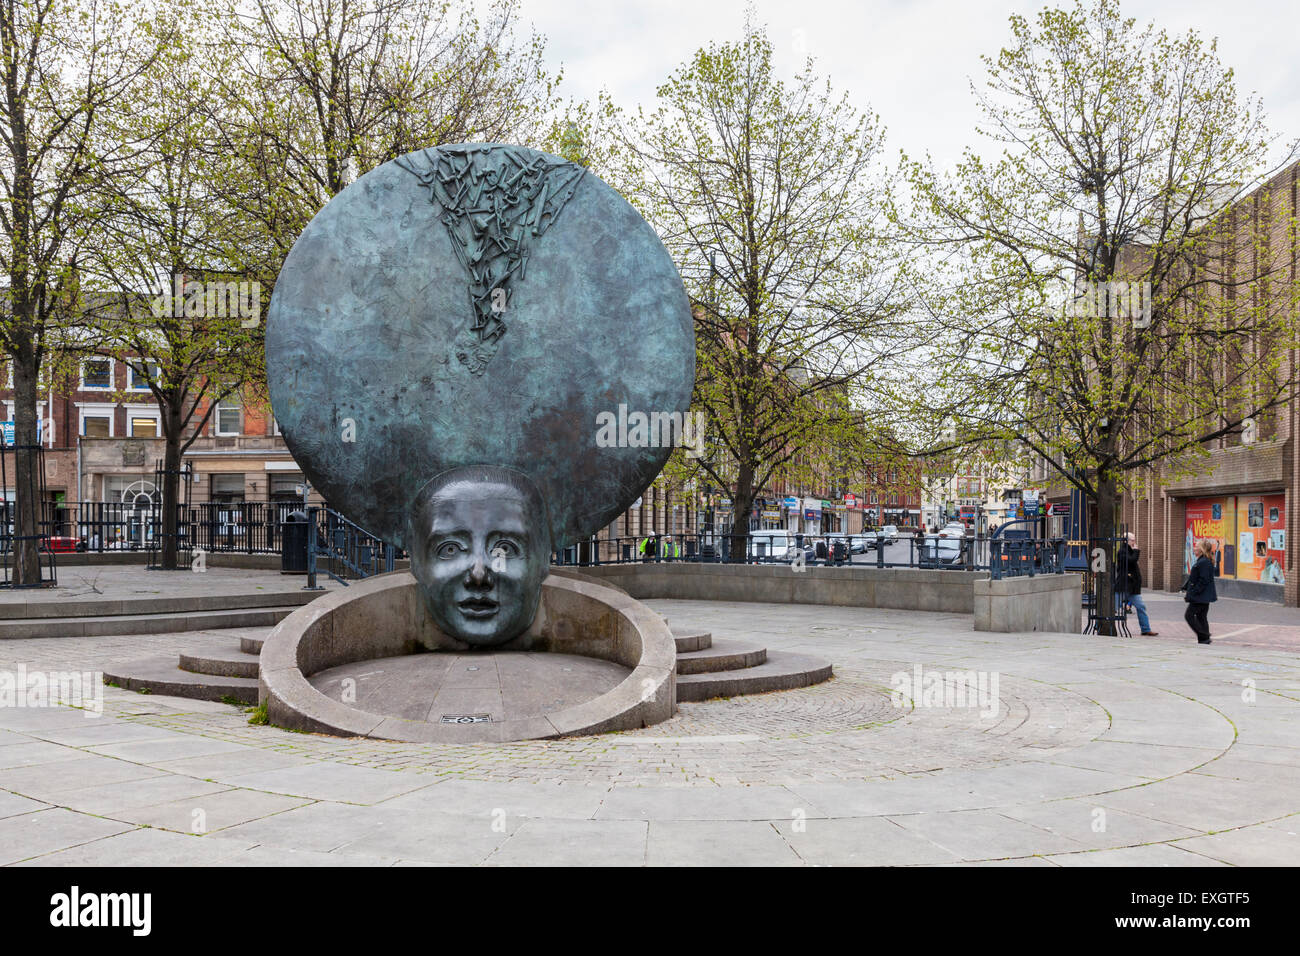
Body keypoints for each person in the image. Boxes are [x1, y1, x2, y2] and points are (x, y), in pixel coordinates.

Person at [1115, 532, 1157, 636]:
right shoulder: (1122, 551)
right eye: (1132, 540)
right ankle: (1098, 625)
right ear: (1126, 541)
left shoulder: (1130, 551)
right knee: (1113, 607)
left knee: (1141, 606)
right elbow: (1132, 560)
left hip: (1132, 587)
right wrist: (1136, 551)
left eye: (1134, 540)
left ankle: (1145, 629)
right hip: (1123, 586)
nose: (1134, 542)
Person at [1181, 538, 1217, 645]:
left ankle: (1204, 635)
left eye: (1196, 546)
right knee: (1201, 617)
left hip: (1201, 596)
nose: (1194, 548)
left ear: (1201, 549)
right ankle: (1204, 639)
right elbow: (1195, 577)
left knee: (1189, 615)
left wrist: (1194, 591)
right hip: (1203, 596)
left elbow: (1203, 580)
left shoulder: (1204, 562)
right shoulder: (1203, 561)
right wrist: (1186, 587)